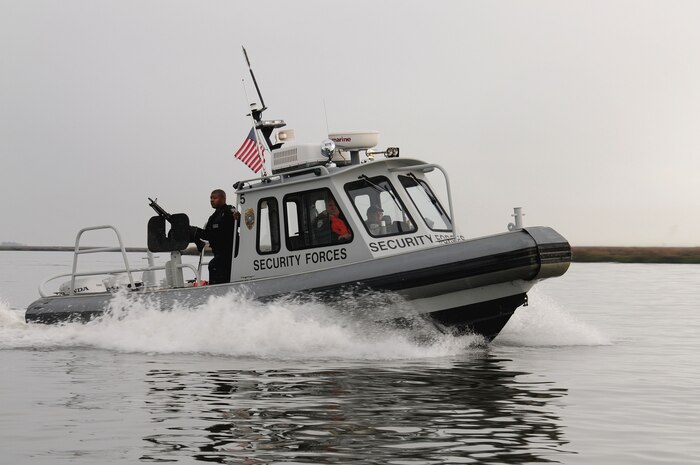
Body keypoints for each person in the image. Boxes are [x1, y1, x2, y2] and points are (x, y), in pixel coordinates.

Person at [191, 189, 240, 284]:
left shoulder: (229, 210)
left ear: (223, 199)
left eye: (214, 198)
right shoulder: (213, 217)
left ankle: (216, 292)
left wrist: (238, 217)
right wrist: (195, 231)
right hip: (219, 252)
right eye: (210, 198)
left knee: (214, 265)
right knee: (215, 266)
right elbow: (208, 234)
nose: (211, 200)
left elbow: (239, 220)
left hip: (229, 251)